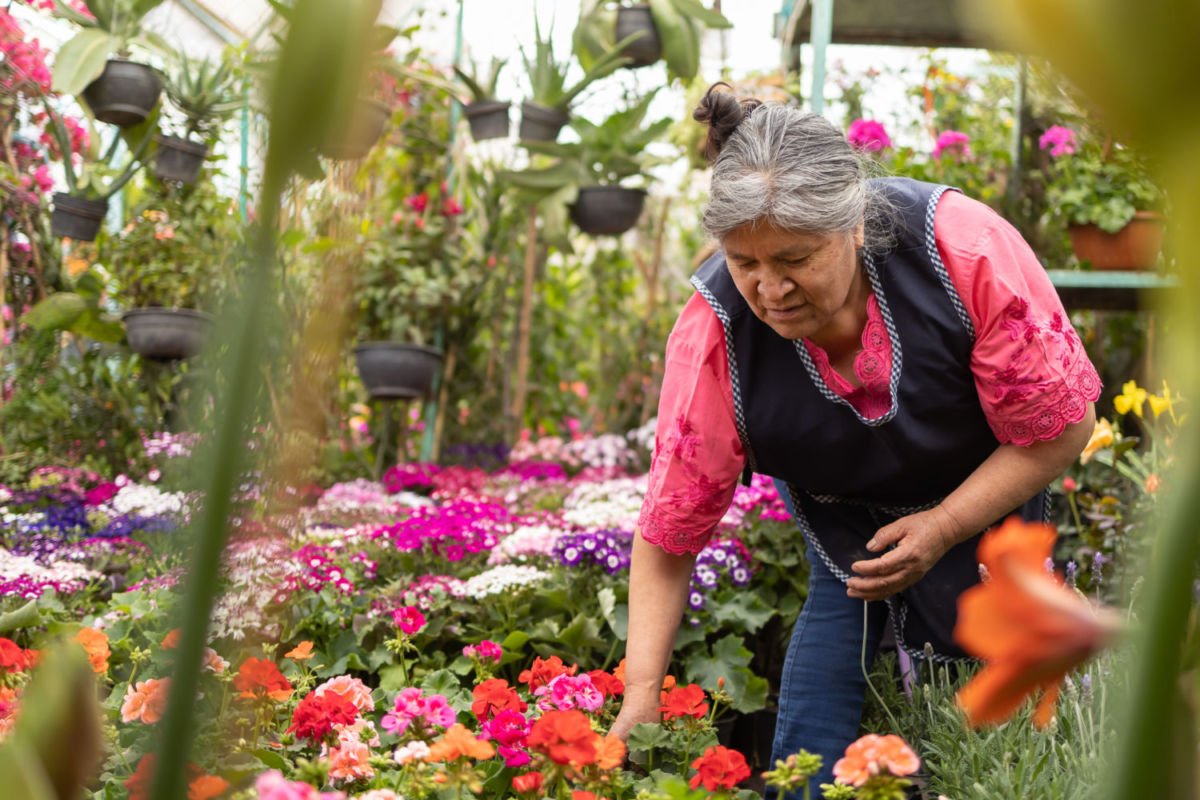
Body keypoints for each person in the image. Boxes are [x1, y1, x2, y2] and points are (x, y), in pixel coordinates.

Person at [610, 84, 1100, 796]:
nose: (769, 289)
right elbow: (669, 533)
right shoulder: (715, 331)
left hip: (996, 512)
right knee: (815, 742)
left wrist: (942, 527)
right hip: (849, 540)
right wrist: (640, 694)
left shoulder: (962, 249)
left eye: (795, 259)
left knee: (1004, 741)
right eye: (745, 263)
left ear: (855, 227)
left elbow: (1065, 428)